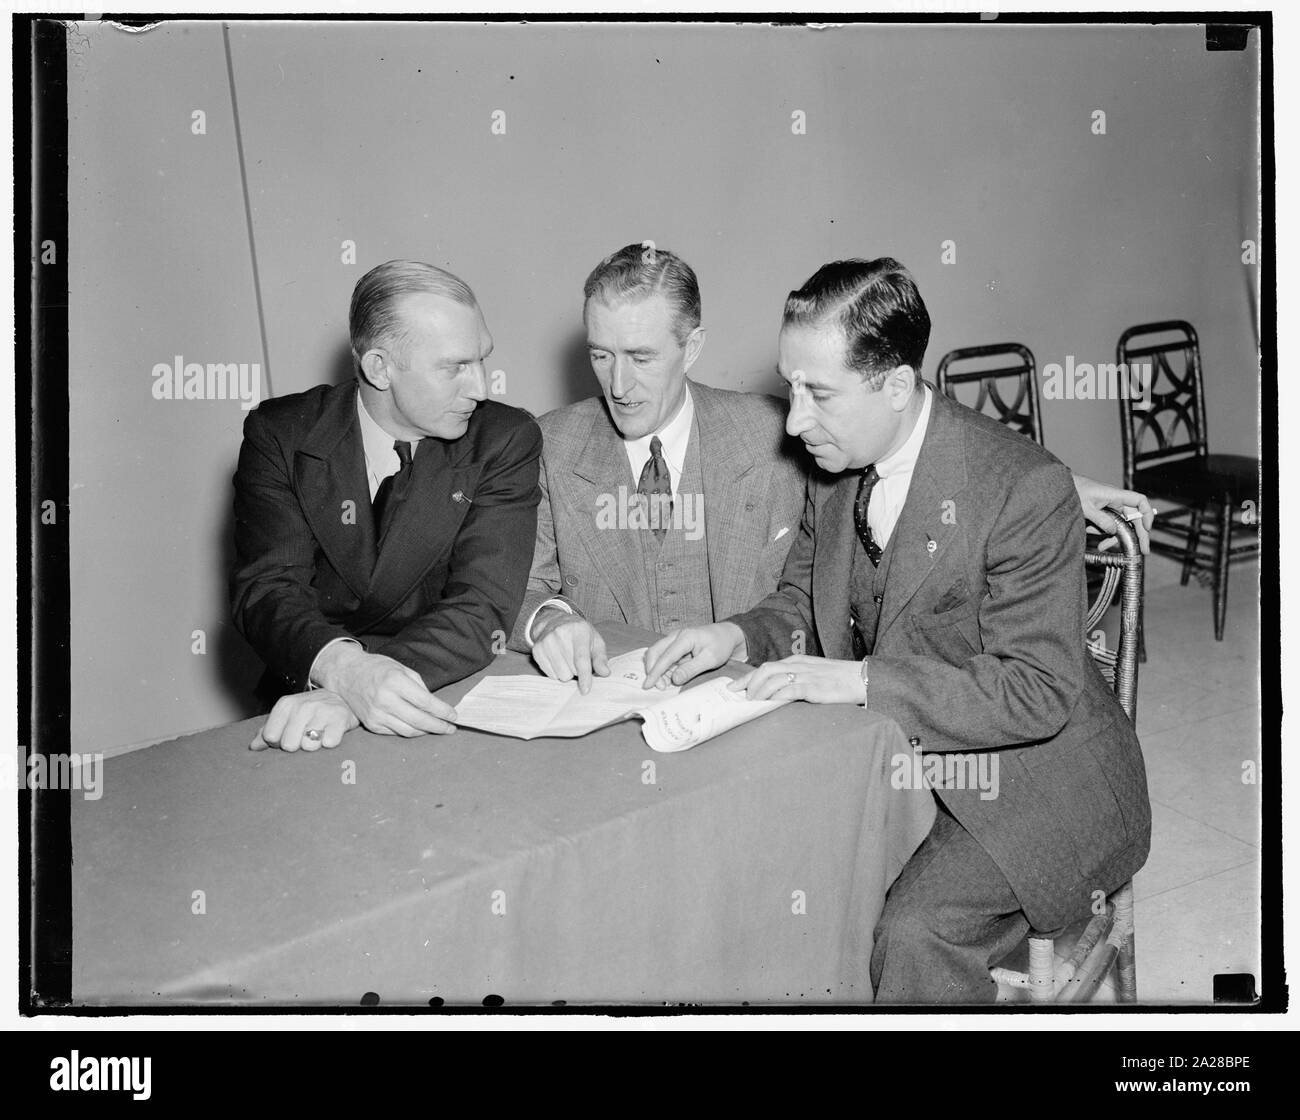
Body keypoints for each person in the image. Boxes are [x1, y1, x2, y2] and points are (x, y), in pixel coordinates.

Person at [643, 257, 1152, 1003]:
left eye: (818, 393)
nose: (794, 420)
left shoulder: (1023, 486)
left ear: (893, 385)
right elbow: (803, 602)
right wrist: (734, 634)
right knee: (769, 878)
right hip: (898, 760)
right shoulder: (836, 465)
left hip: (1041, 777)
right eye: (791, 389)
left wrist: (857, 680)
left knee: (912, 932)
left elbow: (1037, 692)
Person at [517, 243, 1154, 694]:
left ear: (693, 348)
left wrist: (1062, 482)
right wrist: (548, 619)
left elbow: (907, 428)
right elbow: (508, 583)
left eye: (641, 357)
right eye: (602, 356)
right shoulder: (548, 446)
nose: (618, 384)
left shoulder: (778, 431)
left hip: (754, 717)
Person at [232, 260, 542, 752]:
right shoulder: (281, 435)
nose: (481, 389)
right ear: (378, 368)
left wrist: (366, 689)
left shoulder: (504, 439)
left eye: (481, 360)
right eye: (455, 367)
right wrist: (345, 671)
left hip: (439, 689)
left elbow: (480, 605)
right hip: (309, 695)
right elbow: (267, 590)